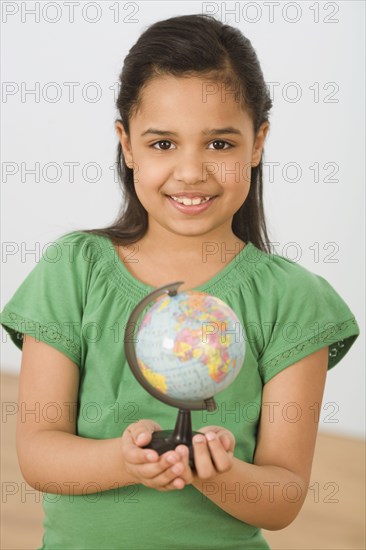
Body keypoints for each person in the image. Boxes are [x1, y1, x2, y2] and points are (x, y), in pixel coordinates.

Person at [0, 13, 360, 550]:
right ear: (126, 145)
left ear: (257, 143)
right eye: (163, 144)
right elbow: (38, 455)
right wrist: (124, 461)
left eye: (220, 144)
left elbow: (283, 496)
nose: (191, 172)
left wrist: (219, 474)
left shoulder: (292, 301)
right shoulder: (71, 270)